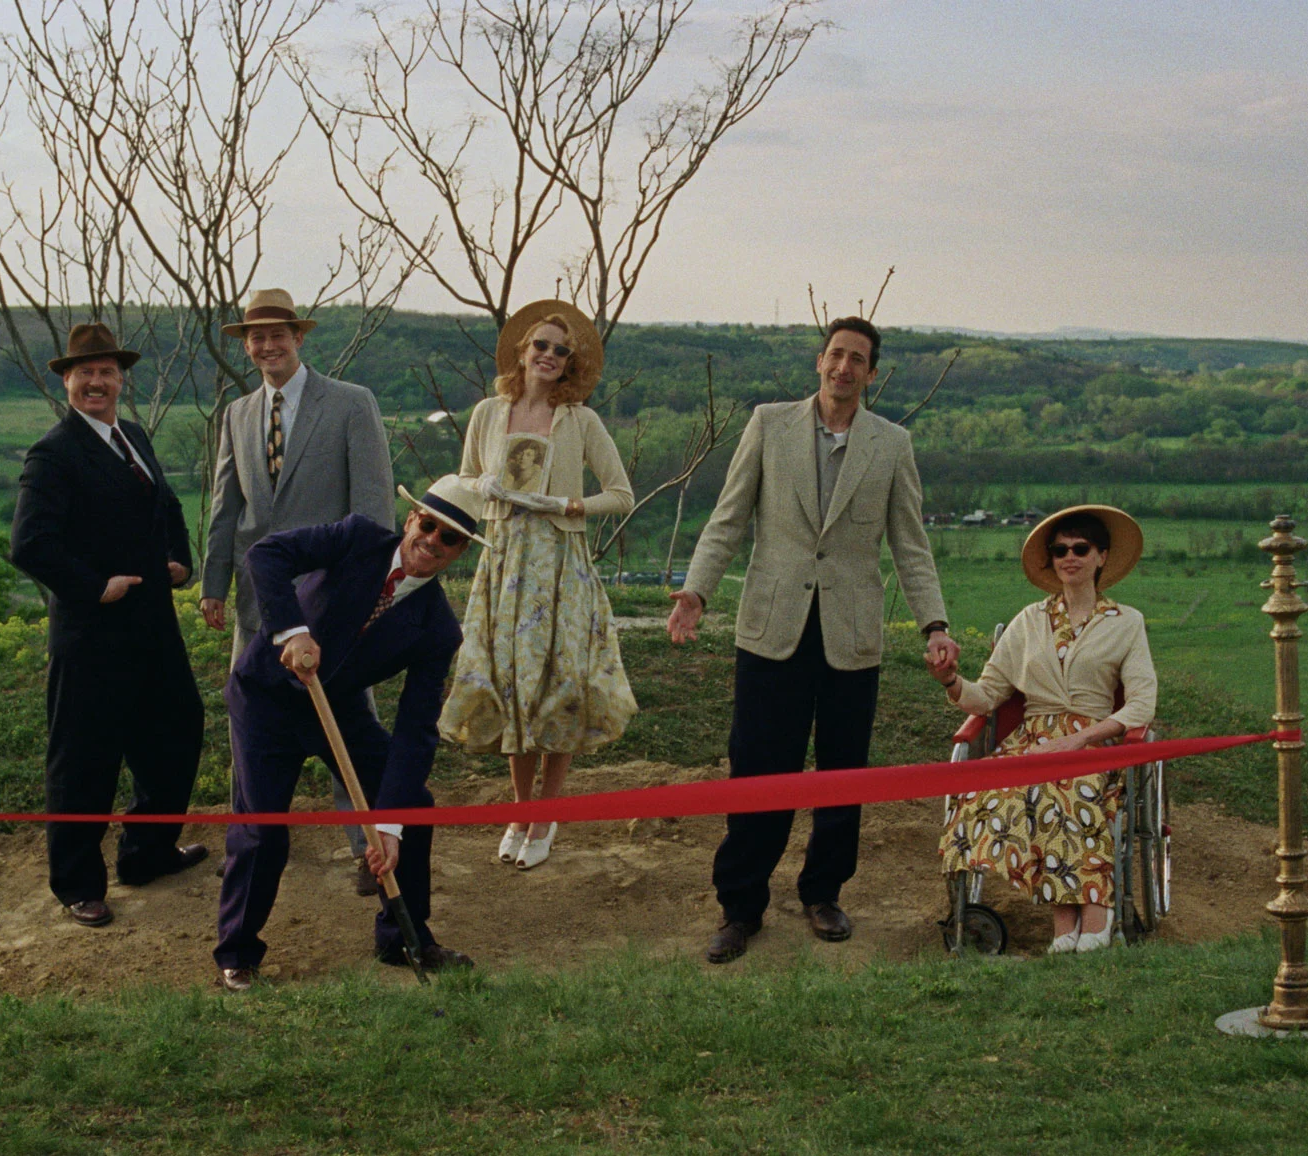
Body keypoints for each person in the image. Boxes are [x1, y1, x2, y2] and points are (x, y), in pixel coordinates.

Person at [668, 315, 957, 963]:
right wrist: (696, 590)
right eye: (835, 355)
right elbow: (729, 517)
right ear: (818, 362)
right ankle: (741, 906)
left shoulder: (892, 445)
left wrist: (935, 624)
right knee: (758, 771)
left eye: (858, 359)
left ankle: (823, 893)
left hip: (851, 639)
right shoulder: (769, 425)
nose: (843, 367)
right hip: (772, 632)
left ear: (871, 374)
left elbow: (911, 545)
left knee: (841, 772)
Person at [214, 476, 485, 991]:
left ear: (459, 552)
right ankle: (237, 951)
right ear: (411, 519)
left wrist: (389, 825)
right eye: (429, 525)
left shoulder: (439, 629)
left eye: (449, 538)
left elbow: (415, 731)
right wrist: (292, 631)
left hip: (336, 710)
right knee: (263, 826)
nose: (433, 540)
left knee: (412, 808)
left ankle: (403, 938)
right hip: (266, 697)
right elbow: (266, 555)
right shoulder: (358, 537)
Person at [10, 323, 207, 928]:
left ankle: (146, 854)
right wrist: (96, 587)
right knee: (85, 760)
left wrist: (180, 562)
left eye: (107, 372)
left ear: (121, 379)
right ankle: (77, 885)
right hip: (91, 634)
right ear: (66, 380)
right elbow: (30, 545)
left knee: (176, 732)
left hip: (153, 626)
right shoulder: (54, 453)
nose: (97, 382)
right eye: (84, 373)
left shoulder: (134, 437)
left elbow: (169, 507)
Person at [200, 287, 396, 891]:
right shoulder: (237, 414)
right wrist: (213, 582)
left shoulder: (350, 404)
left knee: (348, 724)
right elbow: (226, 505)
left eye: (277, 334)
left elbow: (373, 509)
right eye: (255, 337)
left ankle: (370, 845)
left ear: (299, 338)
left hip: (330, 602)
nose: (266, 346)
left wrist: (370, 594)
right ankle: (249, 841)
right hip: (259, 601)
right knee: (247, 717)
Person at [439, 300, 638, 871]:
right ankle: (520, 812)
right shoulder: (487, 413)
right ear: (521, 353)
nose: (549, 356)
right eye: (540, 346)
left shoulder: (581, 421)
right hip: (502, 563)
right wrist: (489, 488)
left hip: (559, 565)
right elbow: (466, 480)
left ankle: (547, 815)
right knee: (509, 685)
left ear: (570, 362)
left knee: (558, 684)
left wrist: (567, 503)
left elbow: (620, 494)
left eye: (560, 350)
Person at [926, 505, 1157, 954]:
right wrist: (951, 681)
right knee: (1005, 791)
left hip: (1094, 741)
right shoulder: (1028, 621)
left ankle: (1089, 913)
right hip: (1032, 740)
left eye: (1080, 548)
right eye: (1060, 550)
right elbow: (987, 696)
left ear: (1101, 557)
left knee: (1069, 785)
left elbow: (1143, 702)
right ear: (1050, 559)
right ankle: (1070, 921)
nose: (1069, 557)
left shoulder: (1127, 623)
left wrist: (1082, 739)